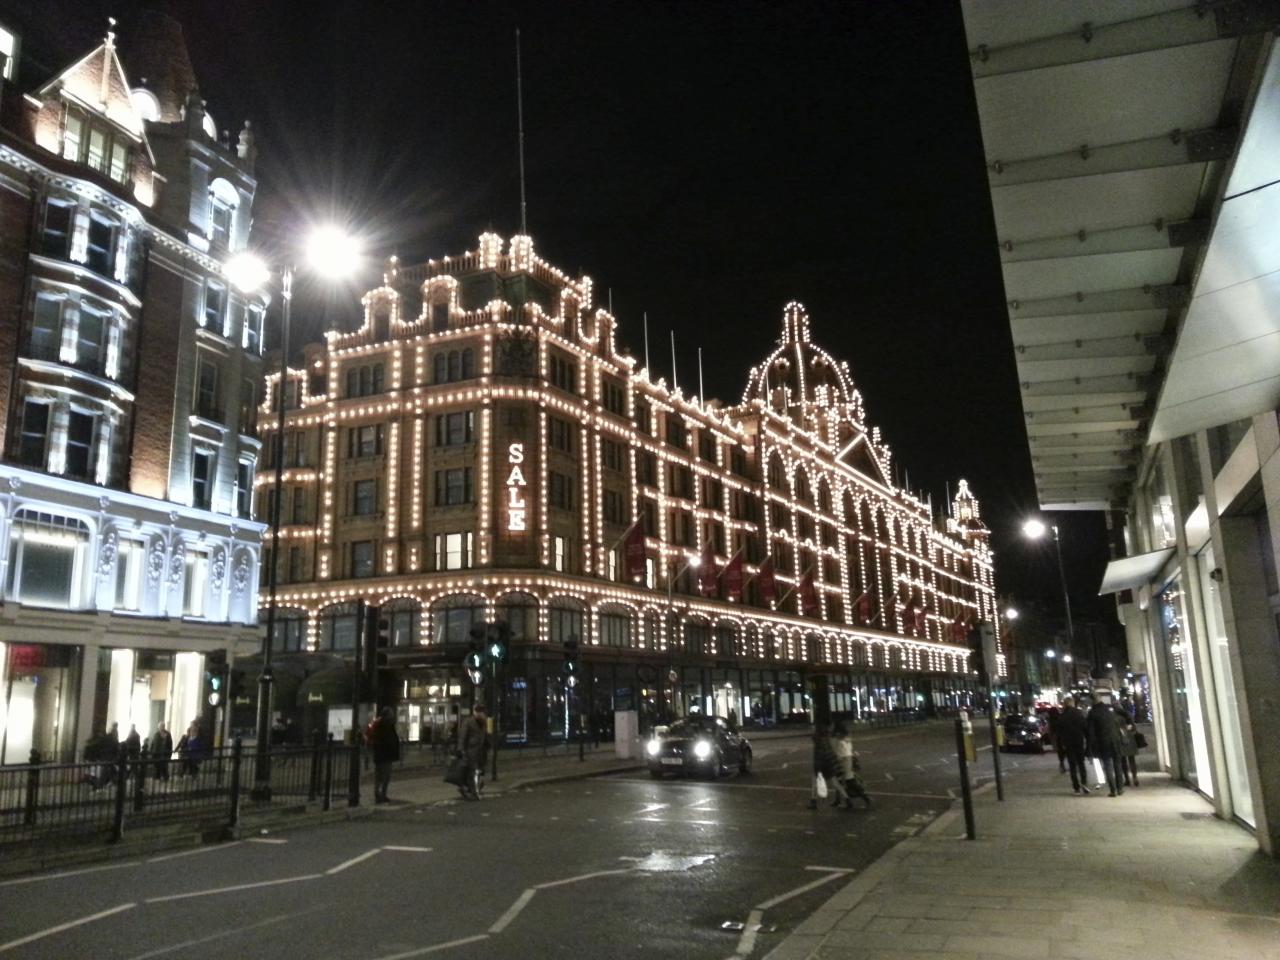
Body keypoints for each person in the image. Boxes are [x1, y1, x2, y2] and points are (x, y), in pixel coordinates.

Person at [1086, 693, 1124, 797]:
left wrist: (1090, 746)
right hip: (1115, 740)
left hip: (1103, 742)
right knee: (1117, 764)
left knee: (1108, 766)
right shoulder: (1109, 710)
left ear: (1092, 700)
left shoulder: (1092, 713)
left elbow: (1090, 732)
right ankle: (1120, 788)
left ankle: (1113, 790)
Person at [368, 706, 402, 803]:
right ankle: (381, 795)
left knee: (380, 776)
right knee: (384, 776)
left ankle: (379, 794)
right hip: (384, 754)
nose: (393, 715)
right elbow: (386, 739)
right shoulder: (385, 725)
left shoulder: (381, 724)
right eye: (391, 714)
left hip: (382, 754)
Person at [1056, 696, 1089, 795]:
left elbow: (1059, 732)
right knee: (1081, 763)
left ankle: (1076, 788)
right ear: (1073, 703)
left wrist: (1061, 745)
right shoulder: (1079, 714)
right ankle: (1084, 784)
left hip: (1068, 743)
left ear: (1065, 704)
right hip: (1078, 741)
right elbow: (1085, 727)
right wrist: (1087, 739)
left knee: (1072, 765)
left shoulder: (1062, 716)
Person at [458, 703, 490, 800]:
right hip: (471, 751)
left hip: (480, 752)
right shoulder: (469, 722)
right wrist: (461, 750)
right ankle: (474, 793)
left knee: (478, 772)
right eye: (478, 712)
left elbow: (485, 736)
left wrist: (487, 745)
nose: (481, 714)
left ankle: (471, 790)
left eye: (481, 712)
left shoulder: (484, 722)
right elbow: (463, 737)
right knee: (473, 772)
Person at [808, 722, 836, 810]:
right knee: (835, 781)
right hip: (828, 763)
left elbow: (819, 755)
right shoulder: (826, 738)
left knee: (815, 782)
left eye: (813, 727)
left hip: (821, 764)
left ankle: (814, 801)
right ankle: (845, 798)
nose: (812, 729)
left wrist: (818, 768)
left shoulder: (818, 740)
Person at [1114, 703, 1140, 787]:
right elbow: (1134, 727)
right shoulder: (1128, 714)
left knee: (1123, 761)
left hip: (1121, 740)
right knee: (1132, 760)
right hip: (1130, 739)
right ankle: (1135, 777)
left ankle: (1127, 779)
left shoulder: (1115, 717)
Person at [1046, 705, 1065, 773]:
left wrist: (1052, 740)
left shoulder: (1051, 720)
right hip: (1064, 736)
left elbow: (1051, 730)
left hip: (1058, 737)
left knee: (1060, 752)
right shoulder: (1061, 717)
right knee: (1066, 751)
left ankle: (1062, 764)